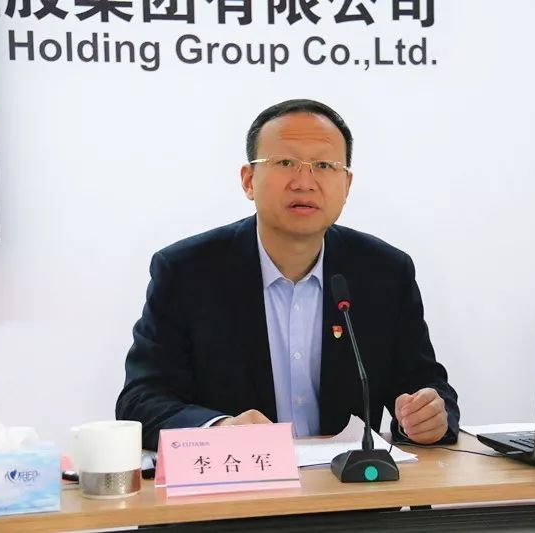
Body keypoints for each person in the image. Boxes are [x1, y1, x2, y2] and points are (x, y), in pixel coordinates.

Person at [116, 99, 459, 450]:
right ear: (248, 180)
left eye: (324, 165)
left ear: (346, 185)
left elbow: (427, 387)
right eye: (284, 163)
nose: (304, 182)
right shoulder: (186, 272)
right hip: (240, 480)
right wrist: (219, 428)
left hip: (346, 482)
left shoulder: (384, 273)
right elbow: (141, 401)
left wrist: (428, 416)